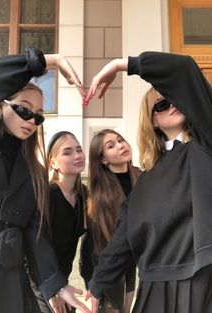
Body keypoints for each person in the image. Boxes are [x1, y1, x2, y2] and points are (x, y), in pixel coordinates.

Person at [83, 51, 212, 313]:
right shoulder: (144, 180)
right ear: (152, 120)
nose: (171, 104)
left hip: (202, 278)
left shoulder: (205, 143)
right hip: (155, 290)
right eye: (161, 105)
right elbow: (123, 240)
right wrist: (96, 287)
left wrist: (125, 65)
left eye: (173, 97)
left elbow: (185, 68)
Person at [0, 48, 90, 313]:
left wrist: (55, 284)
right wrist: (47, 61)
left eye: (38, 116)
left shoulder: (34, 170)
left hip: (11, 270)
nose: (31, 120)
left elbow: (32, 230)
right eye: (24, 110)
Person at [80, 129, 140, 313]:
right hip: (105, 264)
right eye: (111, 145)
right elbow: (100, 246)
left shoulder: (140, 177)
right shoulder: (100, 196)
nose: (121, 145)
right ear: (103, 160)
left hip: (131, 263)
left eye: (121, 140)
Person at [32, 130, 88, 313]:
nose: (77, 155)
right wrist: (53, 289)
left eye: (79, 149)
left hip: (64, 281)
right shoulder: (45, 195)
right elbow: (37, 246)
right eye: (67, 152)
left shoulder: (84, 195)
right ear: (53, 162)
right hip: (40, 282)